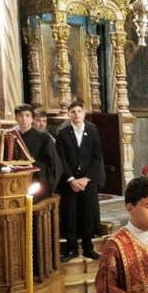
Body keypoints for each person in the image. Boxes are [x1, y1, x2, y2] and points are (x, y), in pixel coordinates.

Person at [56, 100, 106, 262]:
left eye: (79, 111)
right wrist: (71, 179)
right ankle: (71, 249)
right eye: (73, 111)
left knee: (87, 215)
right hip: (69, 182)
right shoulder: (63, 132)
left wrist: (86, 178)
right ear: (69, 114)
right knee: (70, 215)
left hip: (87, 181)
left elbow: (97, 158)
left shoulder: (92, 131)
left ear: (84, 113)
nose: (76, 114)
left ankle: (88, 248)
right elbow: (61, 159)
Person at [14, 104, 62, 201]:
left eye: (27, 116)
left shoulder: (44, 138)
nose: (24, 119)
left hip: (37, 183)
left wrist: (30, 165)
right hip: (14, 183)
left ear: (32, 119)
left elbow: (52, 165)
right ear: (16, 119)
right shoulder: (11, 137)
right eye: (20, 115)